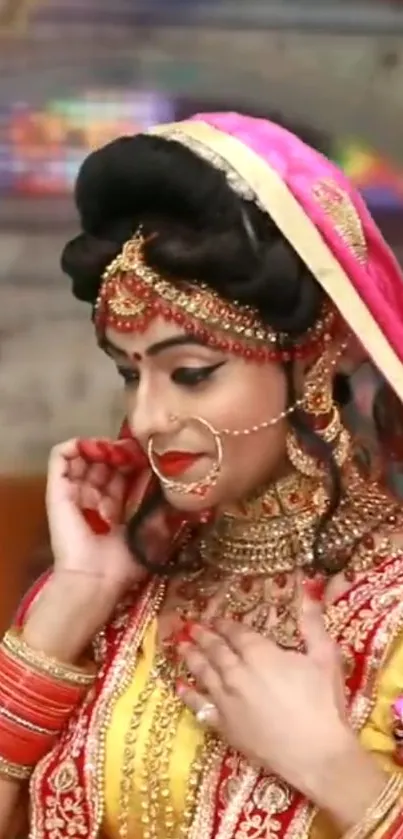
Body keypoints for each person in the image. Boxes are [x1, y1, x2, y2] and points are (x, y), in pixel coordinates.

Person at [2, 113, 403, 839]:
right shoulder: (128, 593)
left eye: (190, 372)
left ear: (312, 359)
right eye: (130, 373)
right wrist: (73, 601)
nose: (148, 416)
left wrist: (335, 770)